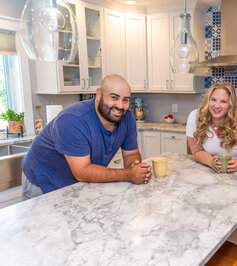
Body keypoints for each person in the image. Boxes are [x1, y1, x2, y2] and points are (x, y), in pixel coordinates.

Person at [22, 74, 152, 199]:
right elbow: (82, 172)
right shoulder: (72, 120)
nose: (120, 106)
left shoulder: (127, 117)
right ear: (99, 94)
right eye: (114, 97)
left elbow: (130, 154)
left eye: (125, 100)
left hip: (76, 181)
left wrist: (135, 167)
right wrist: (128, 174)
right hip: (42, 179)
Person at [186, 82, 237, 173]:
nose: (217, 105)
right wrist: (210, 161)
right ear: (207, 100)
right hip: (209, 171)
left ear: (230, 104)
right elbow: (197, 151)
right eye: (213, 99)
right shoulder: (195, 117)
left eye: (223, 101)